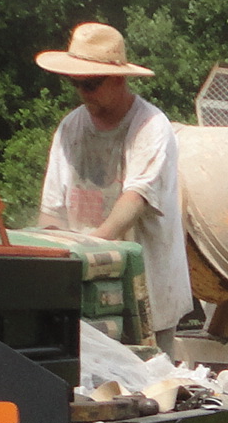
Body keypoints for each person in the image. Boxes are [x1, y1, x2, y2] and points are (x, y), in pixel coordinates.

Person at [34, 23, 192, 345]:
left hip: (146, 295)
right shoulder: (70, 128)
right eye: (76, 83)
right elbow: (51, 212)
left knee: (149, 375)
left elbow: (134, 200)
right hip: (88, 293)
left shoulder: (150, 126)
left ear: (119, 79)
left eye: (91, 84)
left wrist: (86, 252)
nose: (82, 92)